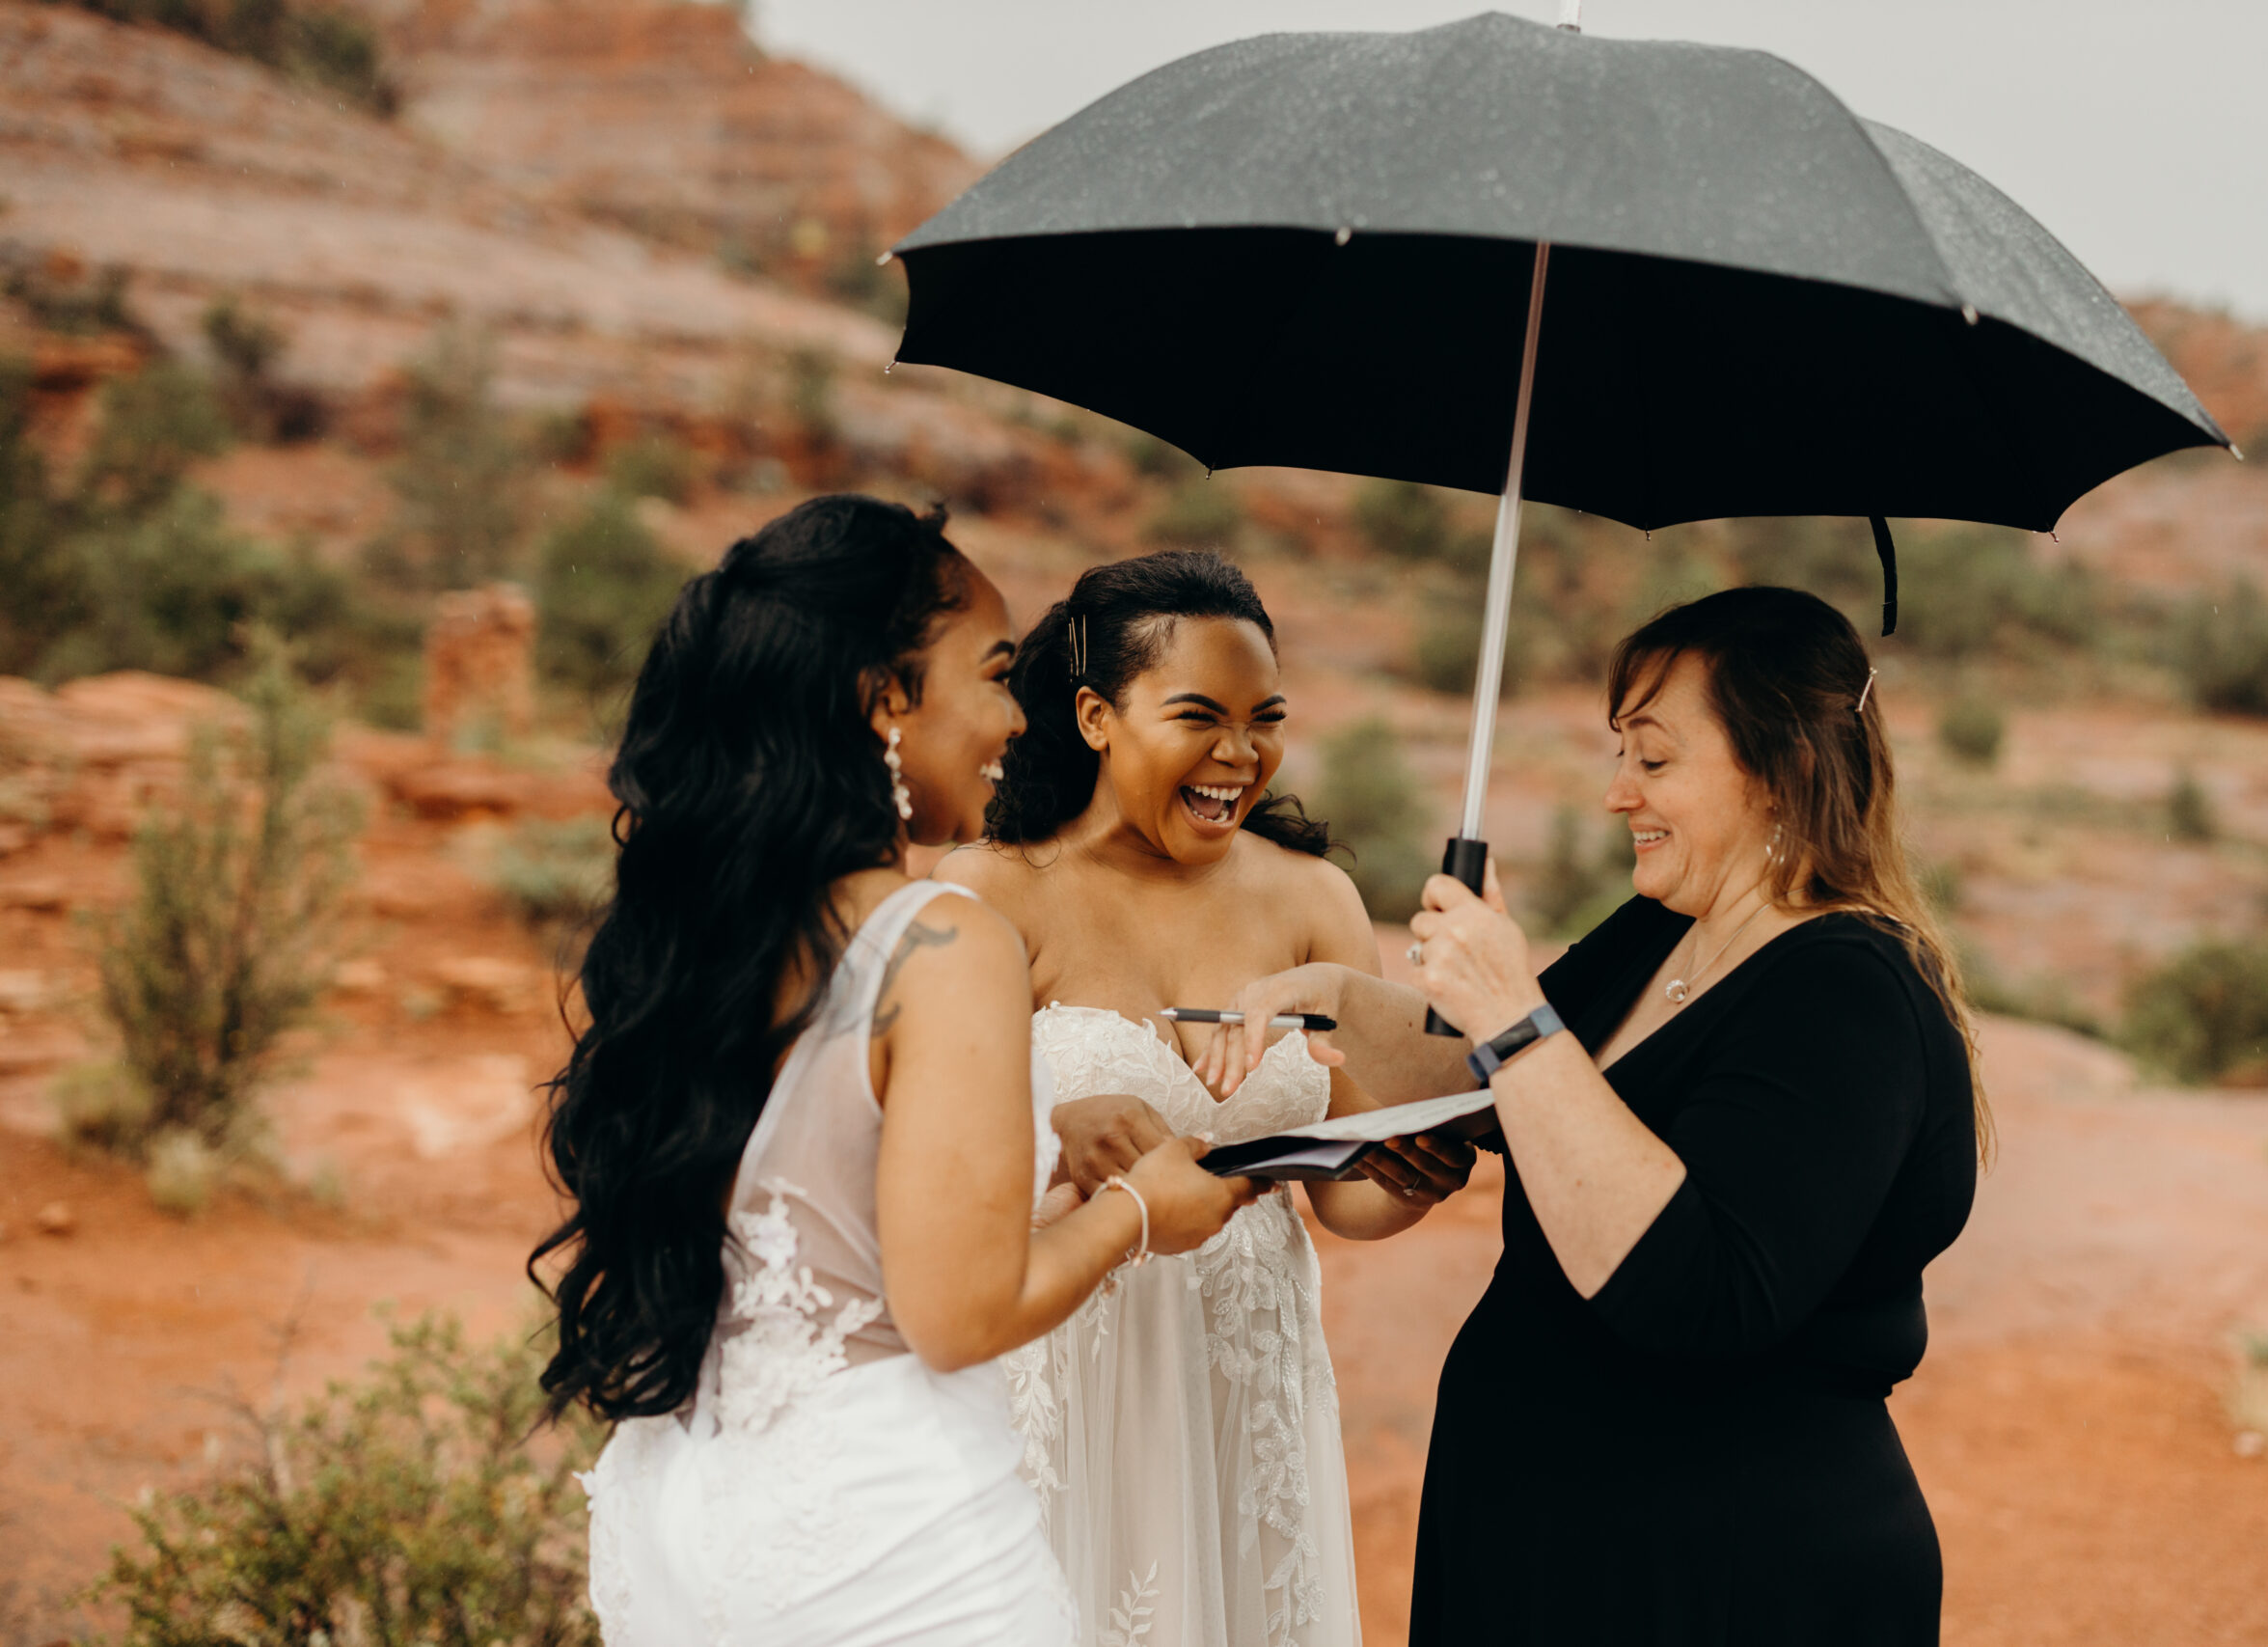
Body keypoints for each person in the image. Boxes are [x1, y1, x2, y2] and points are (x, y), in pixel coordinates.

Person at [532, 497, 1261, 1647]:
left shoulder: (706, 940)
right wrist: (1136, 1211)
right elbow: (957, 1316)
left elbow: (825, 1226)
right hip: (886, 1549)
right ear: (884, 699)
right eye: (991, 673)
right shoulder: (938, 939)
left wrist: (1047, 1200)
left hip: (680, 1527)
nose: (1015, 718)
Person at [1200, 586, 1987, 1644]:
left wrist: (1512, 1008)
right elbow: (1483, 1082)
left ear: (1784, 768)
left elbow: (1699, 1292)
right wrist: (1328, 999)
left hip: (1718, 1575)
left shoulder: (1846, 993)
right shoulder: (1656, 930)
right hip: (1536, 1540)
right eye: (1619, 754)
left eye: (1654, 760)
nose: (1619, 794)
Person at [939, 548, 1474, 1647]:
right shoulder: (989, 893)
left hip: (1249, 1384)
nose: (1241, 754)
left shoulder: (1314, 899)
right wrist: (1051, 1130)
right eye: (1200, 716)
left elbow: (1346, 1201)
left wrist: (1418, 1171)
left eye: (1264, 718)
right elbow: (924, 1158)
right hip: (1066, 1371)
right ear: (1095, 716)